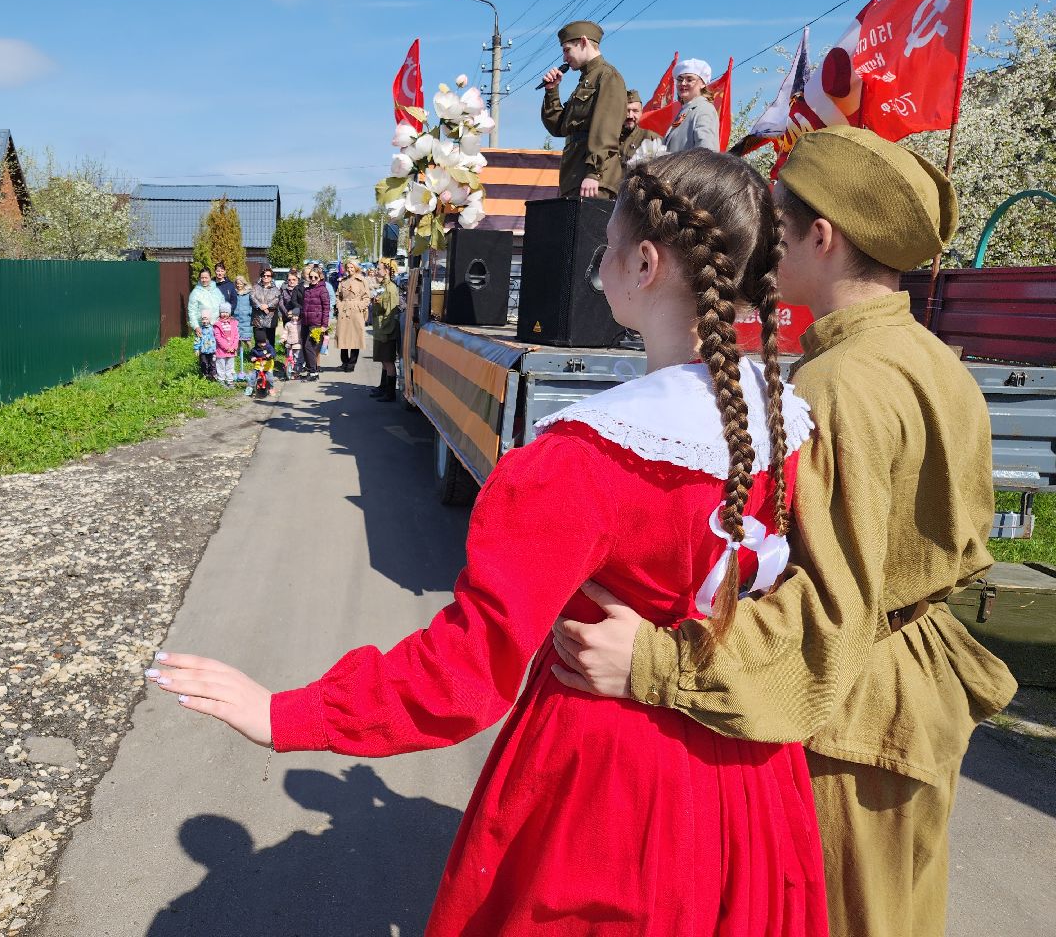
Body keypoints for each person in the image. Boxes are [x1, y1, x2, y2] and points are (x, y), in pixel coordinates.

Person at [146, 149, 829, 936]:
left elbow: (467, 669)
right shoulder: (784, 422)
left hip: (613, 788)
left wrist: (287, 714)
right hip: (752, 777)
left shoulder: (585, 461)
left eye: (604, 249)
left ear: (646, 264)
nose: (592, 268)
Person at [550, 126, 1018, 937]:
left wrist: (657, 663)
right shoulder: (934, 359)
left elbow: (829, 608)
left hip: (853, 712)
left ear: (822, 238)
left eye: (777, 219)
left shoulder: (837, 388)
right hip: (914, 687)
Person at [540, 20, 627, 200]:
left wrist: (594, 173)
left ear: (583, 42)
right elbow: (559, 127)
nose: (564, 58)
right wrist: (551, 91)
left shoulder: (607, 76)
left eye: (567, 50)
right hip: (574, 174)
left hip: (594, 179)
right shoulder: (586, 80)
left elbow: (606, 128)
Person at [663, 59, 721, 154]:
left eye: (689, 79)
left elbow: (707, 151)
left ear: (702, 84)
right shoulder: (684, 111)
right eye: (680, 80)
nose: (683, 83)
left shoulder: (704, 109)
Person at [367, 260, 401, 402]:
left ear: (386, 271)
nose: (376, 271)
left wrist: (387, 332)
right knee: (383, 360)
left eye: (379, 268)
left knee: (388, 361)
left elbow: (391, 313)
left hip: (386, 330)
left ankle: (390, 393)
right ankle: (383, 387)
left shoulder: (391, 288)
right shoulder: (382, 287)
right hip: (381, 329)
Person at [333, 259, 370, 373]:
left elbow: (367, 297)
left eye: (352, 267)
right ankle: (344, 362)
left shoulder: (361, 280)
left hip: (356, 311)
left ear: (356, 268)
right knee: (343, 337)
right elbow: (338, 296)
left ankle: (352, 364)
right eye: (348, 267)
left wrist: (360, 306)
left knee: (355, 338)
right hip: (344, 310)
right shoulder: (343, 281)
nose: (349, 269)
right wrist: (339, 306)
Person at [299, 265, 331, 382]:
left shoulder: (323, 290)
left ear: (320, 277)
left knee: (310, 347)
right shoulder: (307, 289)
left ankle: (313, 373)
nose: (312, 279)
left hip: (316, 324)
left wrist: (324, 325)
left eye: (315, 277)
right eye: (311, 276)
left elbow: (326, 308)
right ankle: (311, 371)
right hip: (306, 322)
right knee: (305, 347)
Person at [619, 88, 661, 168]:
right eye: (627, 111)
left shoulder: (651, 138)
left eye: (635, 111)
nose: (630, 116)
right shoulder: (609, 137)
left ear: (641, 112)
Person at [277, 269, 305, 379]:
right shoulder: (283, 289)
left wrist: (296, 312)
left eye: (294, 279)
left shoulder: (301, 289)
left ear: (298, 280)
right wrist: (286, 313)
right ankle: (289, 362)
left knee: (299, 339)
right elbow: (280, 302)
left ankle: (299, 363)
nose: (291, 281)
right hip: (287, 317)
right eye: (289, 280)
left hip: (299, 317)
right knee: (288, 338)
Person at [187, 268, 226, 335]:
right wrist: (196, 326)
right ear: (199, 278)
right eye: (202, 278)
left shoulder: (216, 291)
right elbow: (192, 312)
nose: (204, 280)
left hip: (217, 326)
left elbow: (223, 306)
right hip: (203, 327)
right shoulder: (195, 293)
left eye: (206, 277)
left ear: (210, 278)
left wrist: (224, 319)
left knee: (218, 345)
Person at [250, 268, 280, 352]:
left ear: (271, 277)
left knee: (270, 339)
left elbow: (277, 299)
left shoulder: (276, 289)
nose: (265, 277)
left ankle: (270, 358)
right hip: (257, 318)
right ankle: (258, 357)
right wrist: (260, 306)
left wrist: (268, 305)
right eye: (264, 275)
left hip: (270, 319)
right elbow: (252, 297)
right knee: (259, 339)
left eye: (268, 275)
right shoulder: (255, 287)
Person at [212, 302, 240, 386]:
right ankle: (221, 380)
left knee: (230, 366)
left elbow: (236, 336)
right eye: (223, 312)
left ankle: (229, 380)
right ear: (220, 313)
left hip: (231, 350)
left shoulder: (234, 323)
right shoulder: (217, 324)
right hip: (221, 350)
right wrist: (227, 347)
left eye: (226, 312)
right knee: (220, 366)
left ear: (229, 313)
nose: (224, 314)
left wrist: (234, 346)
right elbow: (218, 338)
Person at [193, 310, 217, 381]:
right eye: (203, 319)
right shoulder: (200, 329)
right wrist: (196, 349)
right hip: (203, 351)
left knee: (212, 364)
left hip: (212, 351)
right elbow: (197, 339)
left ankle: (213, 376)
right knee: (203, 363)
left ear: (209, 320)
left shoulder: (213, 329)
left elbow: (217, 338)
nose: (204, 321)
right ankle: (205, 376)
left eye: (206, 319)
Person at [233, 274, 254, 351]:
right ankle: (238, 357)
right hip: (236, 319)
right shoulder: (234, 293)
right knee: (237, 340)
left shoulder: (248, 293)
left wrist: (250, 312)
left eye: (240, 283)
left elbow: (252, 304)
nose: (239, 285)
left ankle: (252, 354)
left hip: (246, 320)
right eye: (237, 283)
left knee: (247, 340)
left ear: (244, 283)